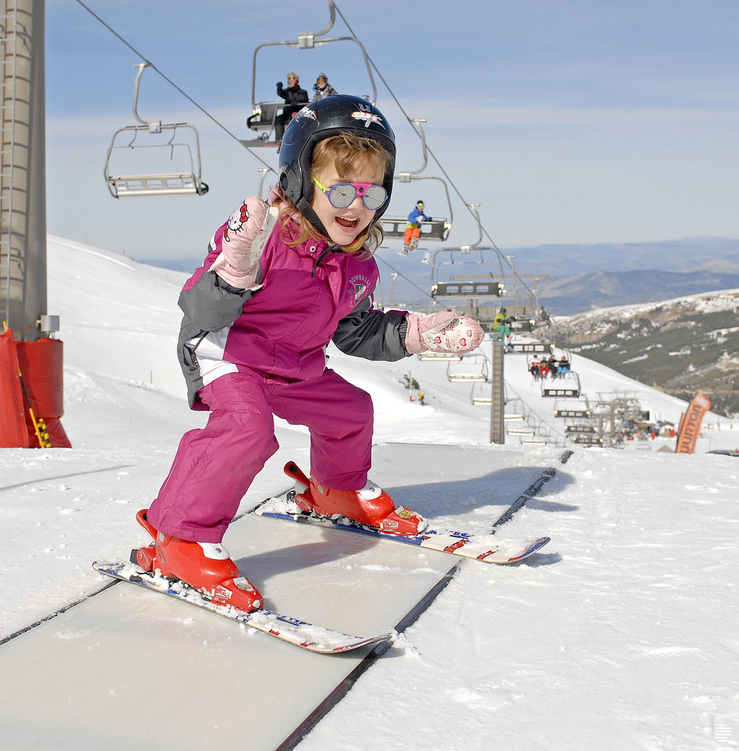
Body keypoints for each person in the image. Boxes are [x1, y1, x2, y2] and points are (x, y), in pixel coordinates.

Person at [131, 94, 484, 612]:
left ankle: (337, 490)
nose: (356, 206)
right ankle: (180, 537)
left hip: (295, 366)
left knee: (351, 410)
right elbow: (198, 307)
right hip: (229, 354)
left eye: (371, 192)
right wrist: (234, 272)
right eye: (340, 190)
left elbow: (355, 332)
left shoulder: (358, 265)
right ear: (300, 182)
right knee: (247, 429)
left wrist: (414, 334)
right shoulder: (261, 236)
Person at [273, 72, 309, 142]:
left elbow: (305, 103)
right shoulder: (287, 92)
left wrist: (297, 103)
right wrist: (279, 87)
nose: (291, 82)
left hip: (297, 112)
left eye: (293, 80)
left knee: (292, 118)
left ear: (296, 81)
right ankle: (279, 138)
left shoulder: (302, 92)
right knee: (279, 118)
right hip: (287, 112)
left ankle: (291, 137)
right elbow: (281, 93)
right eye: (289, 81)